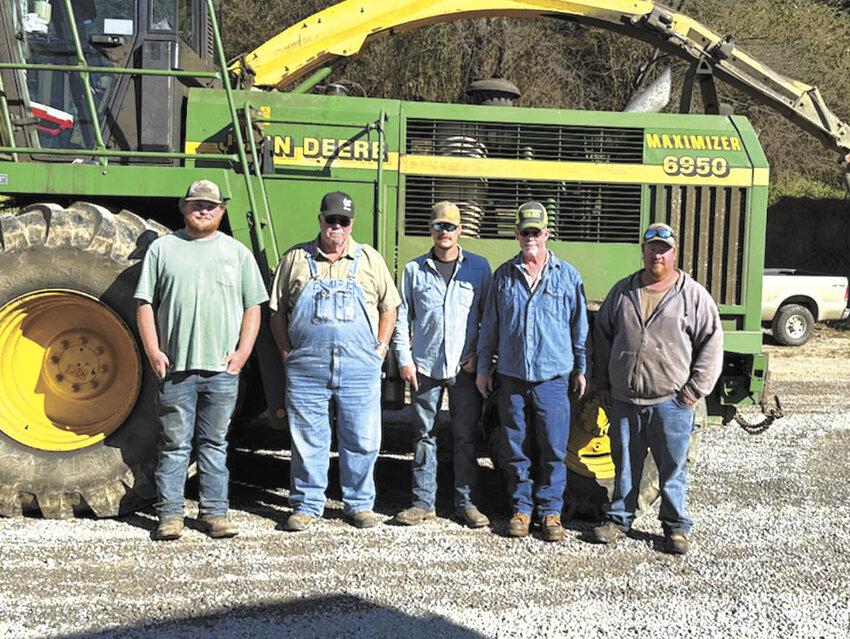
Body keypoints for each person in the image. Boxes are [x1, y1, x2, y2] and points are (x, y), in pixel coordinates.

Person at [135, 179, 268, 541]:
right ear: (184, 208)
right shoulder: (163, 249)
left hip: (222, 370)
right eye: (196, 204)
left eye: (210, 205)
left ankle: (214, 514)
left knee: (214, 444)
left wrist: (243, 353)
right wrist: (153, 350)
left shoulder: (236, 253)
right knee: (175, 444)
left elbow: (253, 306)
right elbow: (145, 303)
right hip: (176, 368)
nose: (203, 210)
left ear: (222, 211)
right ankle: (170, 516)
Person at [269, 191, 400, 531]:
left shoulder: (369, 259)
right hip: (306, 368)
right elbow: (276, 312)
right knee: (308, 438)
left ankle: (358, 505)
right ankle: (307, 505)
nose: (337, 228)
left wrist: (381, 349)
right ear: (320, 220)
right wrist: (287, 353)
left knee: (362, 438)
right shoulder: (296, 259)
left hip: (360, 367)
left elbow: (390, 307)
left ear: (351, 224)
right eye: (331, 220)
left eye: (343, 222)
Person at [591, 222, 723, 554]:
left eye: (664, 249)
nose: (657, 254)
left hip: (672, 402)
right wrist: (604, 382)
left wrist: (694, 391)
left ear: (673, 253)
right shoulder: (623, 291)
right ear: (644, 251)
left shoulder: (692, 295)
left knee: (672, 468)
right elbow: (602, 336)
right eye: (652, 248)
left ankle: (675, 528)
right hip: (625, 399)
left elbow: (712, 343)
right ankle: (619, 519)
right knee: (625, 465)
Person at [476, 202, 588, 542]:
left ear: (547, 234)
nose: (531, 238)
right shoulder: (503, 276)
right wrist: (484, 369)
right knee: (516, 447)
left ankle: (551, 512)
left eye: (536, 232)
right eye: (525, 232)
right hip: (511, 376)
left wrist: (581, 368)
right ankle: (522, 509)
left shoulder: (568, 276)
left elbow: (578, 328)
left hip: (553, 378)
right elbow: (490, 328)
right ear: (517, 235)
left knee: (554, 448)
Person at [391, 201, 493, 528]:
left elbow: (489, 319)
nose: (444, 232)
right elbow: (400, 317)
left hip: (464, 368)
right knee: (423, 435)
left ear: (460, 230)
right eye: (438, 226)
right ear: (430, 229)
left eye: (450, 226)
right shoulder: (413, 270)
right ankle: (423, 503)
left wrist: (480, 357)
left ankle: (466, 503)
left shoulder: (479, 269)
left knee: (465, 435)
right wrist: (404, 360)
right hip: (425, 366)